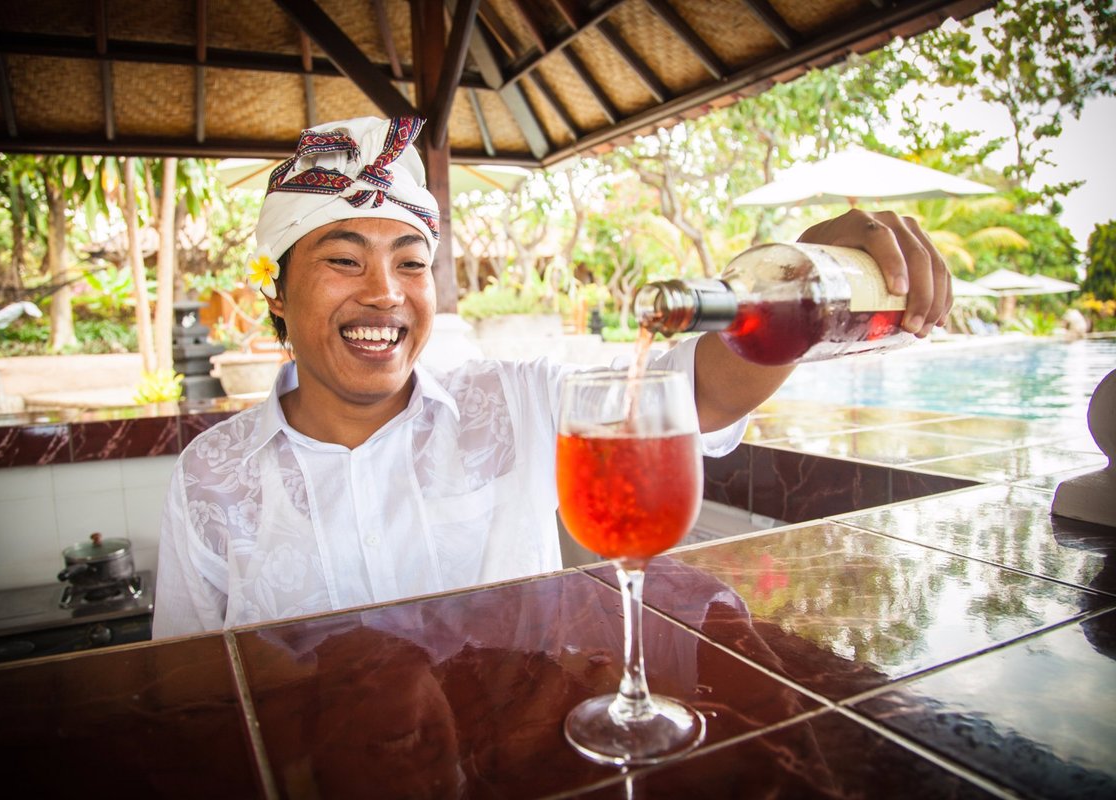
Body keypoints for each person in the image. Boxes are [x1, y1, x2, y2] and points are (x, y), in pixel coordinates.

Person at [151, 116, 951, 638]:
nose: (386, 294)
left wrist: (804, 271)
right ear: (276, 295)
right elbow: (188, 686)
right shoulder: (211, 477)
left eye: (411, 263)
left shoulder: (513, 401)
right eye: (343, 260)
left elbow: (702, 390)